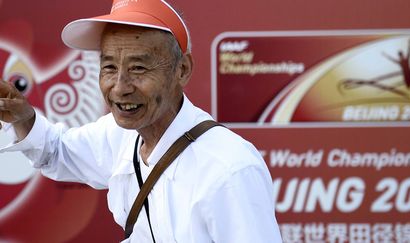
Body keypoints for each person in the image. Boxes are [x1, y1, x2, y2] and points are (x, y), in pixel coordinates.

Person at [0, 0, 282, 242]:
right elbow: (58, 151)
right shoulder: (119, 133)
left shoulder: (229, 170)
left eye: (138, 67)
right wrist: (24, 118)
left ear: (182, 70)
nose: (120, 87)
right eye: (109, 67)